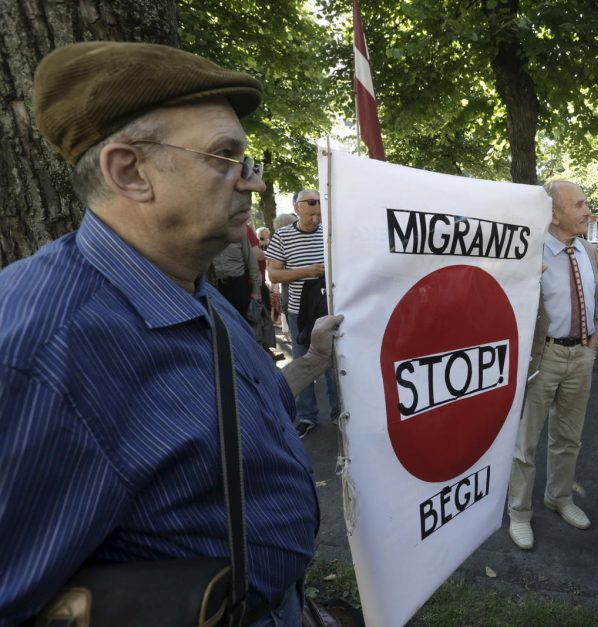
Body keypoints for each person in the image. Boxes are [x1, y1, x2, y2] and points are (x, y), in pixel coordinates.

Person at [0, 42, 343, 624]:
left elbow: (222, 425)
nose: (251, 184)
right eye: (224, 157)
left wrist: (309, 361)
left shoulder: (186, 283)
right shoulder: (45, 351)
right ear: (130, 171)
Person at [506, 180, 598, 550]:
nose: (588, 211)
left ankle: (559, 497)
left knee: (569, 436)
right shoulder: (528, 253)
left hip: (580, 355)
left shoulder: (590, 253)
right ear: (554, 213)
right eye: (580, 205)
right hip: (543, 357)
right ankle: (519, 512)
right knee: (526, 441)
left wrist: (592, 349)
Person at [266, 191, 340, 435]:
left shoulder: (328, 232)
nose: (315, 220)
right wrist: (308, 271)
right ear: (297, 209)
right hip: (299, 312)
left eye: (319, 214)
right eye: (310, 215)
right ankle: (306, 417)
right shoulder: (283, 236)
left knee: (333, 364)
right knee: (303, 363)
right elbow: (273, 275)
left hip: (328, 309)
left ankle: (338, 414)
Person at [211, 228, 262, 319]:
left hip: (239, 284)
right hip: (217, 286)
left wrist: (256, 290)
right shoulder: (207, 235)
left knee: (244, 320)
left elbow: (251, 260)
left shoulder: (238, 231)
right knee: (226, 322)